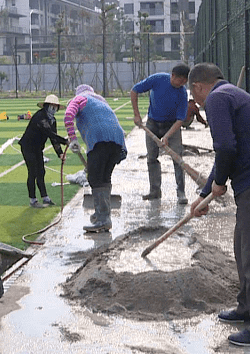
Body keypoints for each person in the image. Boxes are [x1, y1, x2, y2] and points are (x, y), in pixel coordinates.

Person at [187, 63, 250, 347]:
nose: (196, 103)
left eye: (194, 96)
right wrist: (206, 191)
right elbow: (228, 150)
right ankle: (248, 308)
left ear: (197, 86)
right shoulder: (230, 94)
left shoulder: (218, 99)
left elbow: (226, 148)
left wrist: (219, 182)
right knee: (243, 249)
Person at [63, 85, 127, 233]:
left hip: (99, 138)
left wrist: (73, 139)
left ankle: (103, 218)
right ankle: (102, 215)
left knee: (95, 179)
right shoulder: (101, 101)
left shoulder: (79, 98)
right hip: (117, 140)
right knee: (104, 177)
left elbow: (68, 116)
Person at [130, 63, 190, 204]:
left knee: (177, 158)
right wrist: (137, 115)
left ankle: (181, 192)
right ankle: (155, 191)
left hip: (172, 125)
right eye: (180, 80)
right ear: (173, 76)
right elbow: (134, 91)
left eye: (185, 81)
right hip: (152, 124)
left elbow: (181, 119)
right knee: (152, 158)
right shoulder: (157, 79)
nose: (182, 84)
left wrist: (167, 136)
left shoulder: (182, 93)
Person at [19, 94, 68, 208]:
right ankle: (33, 200)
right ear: (47, 106)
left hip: (37, 148)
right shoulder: (40, 117)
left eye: (56, 106)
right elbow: (49, 132)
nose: (54, 108)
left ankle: (45, 197)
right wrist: (65, 141)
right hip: (28, 147)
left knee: (41, 172)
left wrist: (60, 153)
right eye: (52, 106)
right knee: (33, 172)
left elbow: (53, 138)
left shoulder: (52, 120)